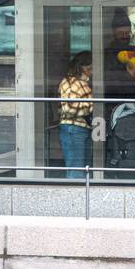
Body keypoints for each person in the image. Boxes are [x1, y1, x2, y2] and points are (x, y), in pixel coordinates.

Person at [57, 52, 93, 180]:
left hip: (79, 127)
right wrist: (91, 107)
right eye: (91, 68)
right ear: (84, 67)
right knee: (76, 169)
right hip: (74, 127)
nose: (92, 71)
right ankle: (75, 197)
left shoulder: (79, 82)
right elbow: (69, 108)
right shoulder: (72, 83)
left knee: (81, 167)